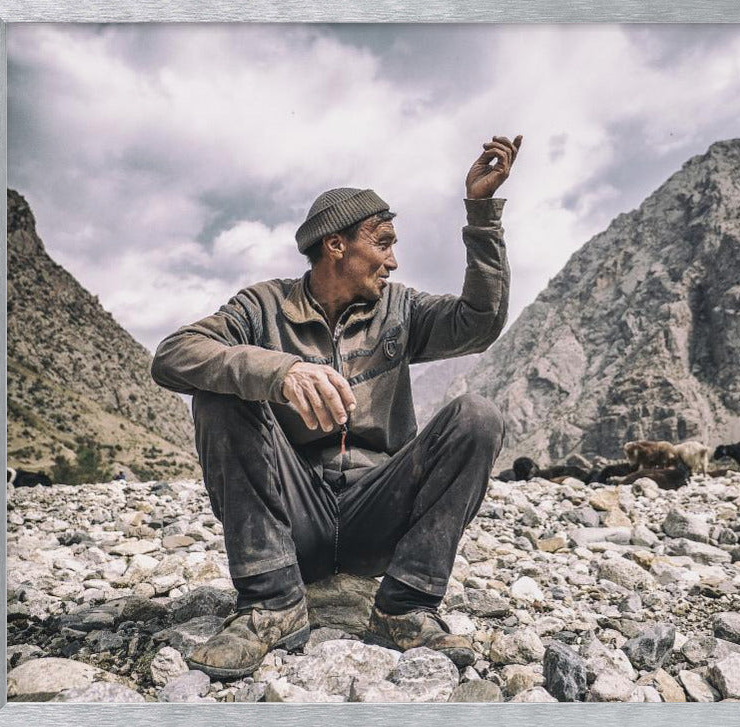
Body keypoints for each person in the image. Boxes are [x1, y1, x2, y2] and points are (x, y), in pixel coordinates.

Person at [150, 134, 523, 679]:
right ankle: (272, 603)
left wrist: (482, 214)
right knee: (218, 392)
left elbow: (480, 323)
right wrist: (280, 373)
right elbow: (174, 354)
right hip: (292, 518)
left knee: (477, 416)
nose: (394, 260)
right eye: (384, 243)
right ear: (336, 245)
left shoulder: (402, 309)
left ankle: (406, 608)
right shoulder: (263, 306)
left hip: (379, 514)